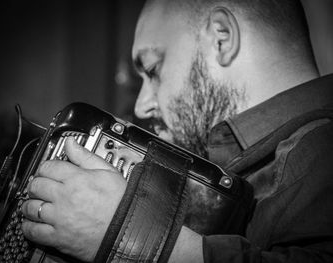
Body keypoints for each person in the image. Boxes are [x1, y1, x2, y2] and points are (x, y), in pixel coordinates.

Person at [20, 0, 333, 262]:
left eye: (154, 70)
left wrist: (124, 231)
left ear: (222, 38)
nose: (142, 106)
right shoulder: (244, 160)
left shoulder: (321, 150)